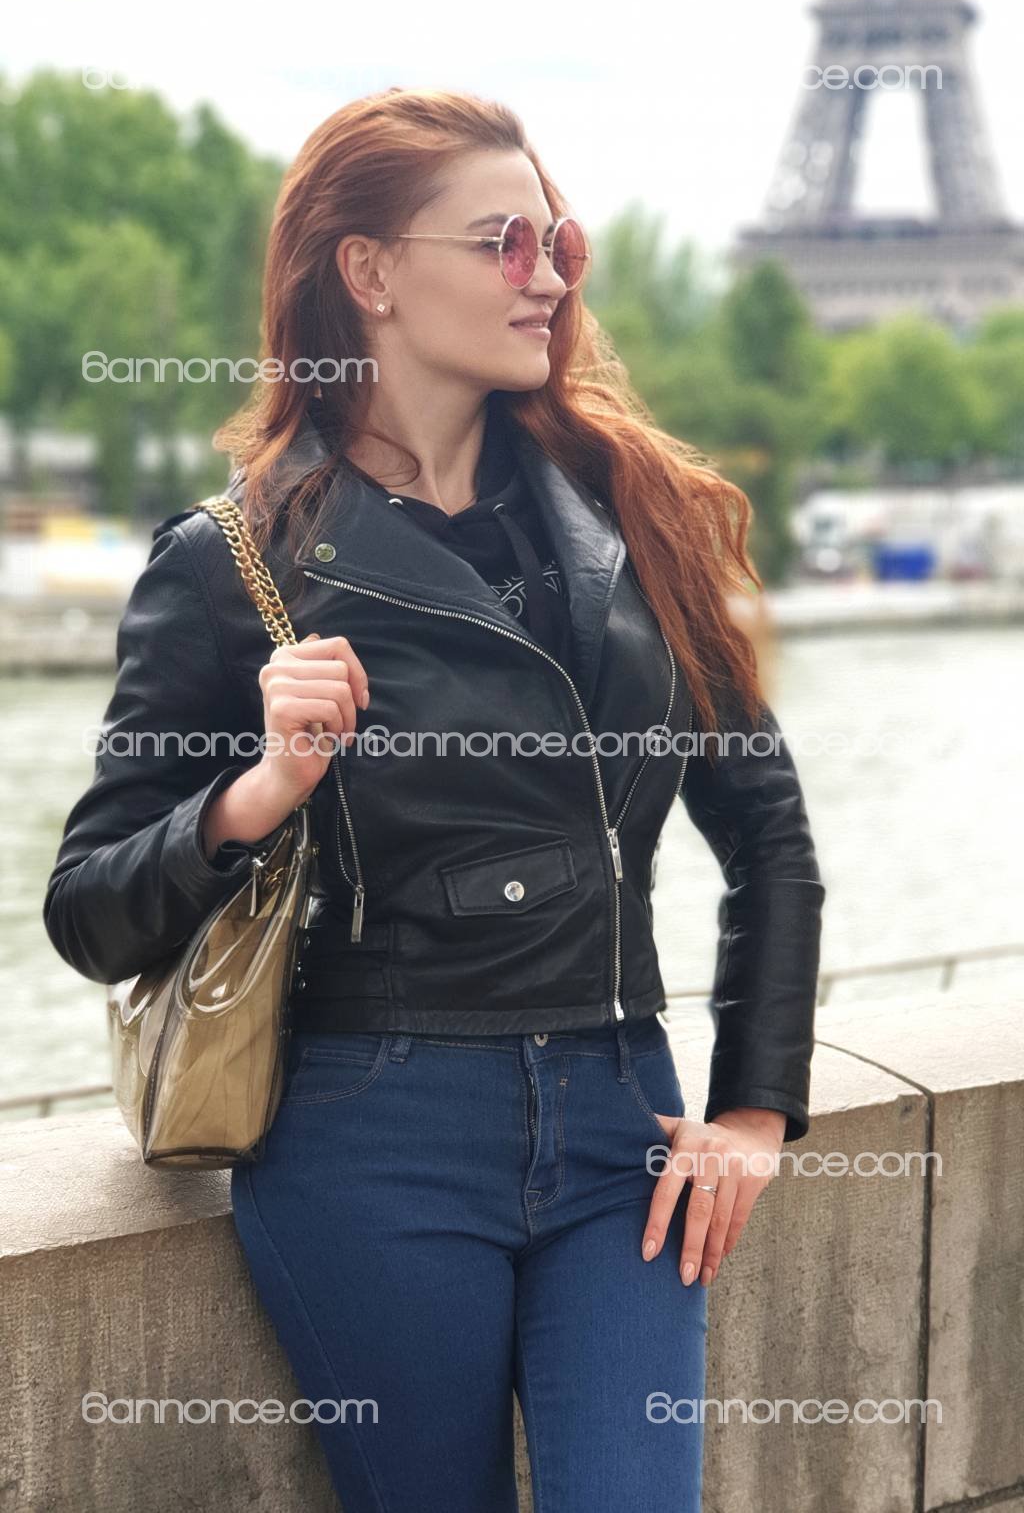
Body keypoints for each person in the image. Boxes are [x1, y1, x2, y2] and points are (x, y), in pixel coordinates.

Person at [43, 87, 826, 1513]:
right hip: (372, 1143)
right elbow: (89, 911)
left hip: (625, 1130)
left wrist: (757, 1109)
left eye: (559, 242)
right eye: (504, 242)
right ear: (370, 271)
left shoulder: (633, 513)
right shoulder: (229, 562)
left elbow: (767, 835)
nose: (552, 278)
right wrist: (259, 790)